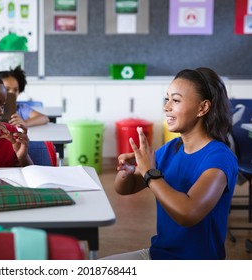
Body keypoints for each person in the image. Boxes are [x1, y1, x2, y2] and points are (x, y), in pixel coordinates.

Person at [102, 67, 238, 260]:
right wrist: (128, 170)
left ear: (203, 108)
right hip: (158, 255)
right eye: (167, 99)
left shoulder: (219, 158)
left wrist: (149, 173)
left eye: (176, 100)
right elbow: (126, 188)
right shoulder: (172, 148)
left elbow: (188, 213)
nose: (166, 107)